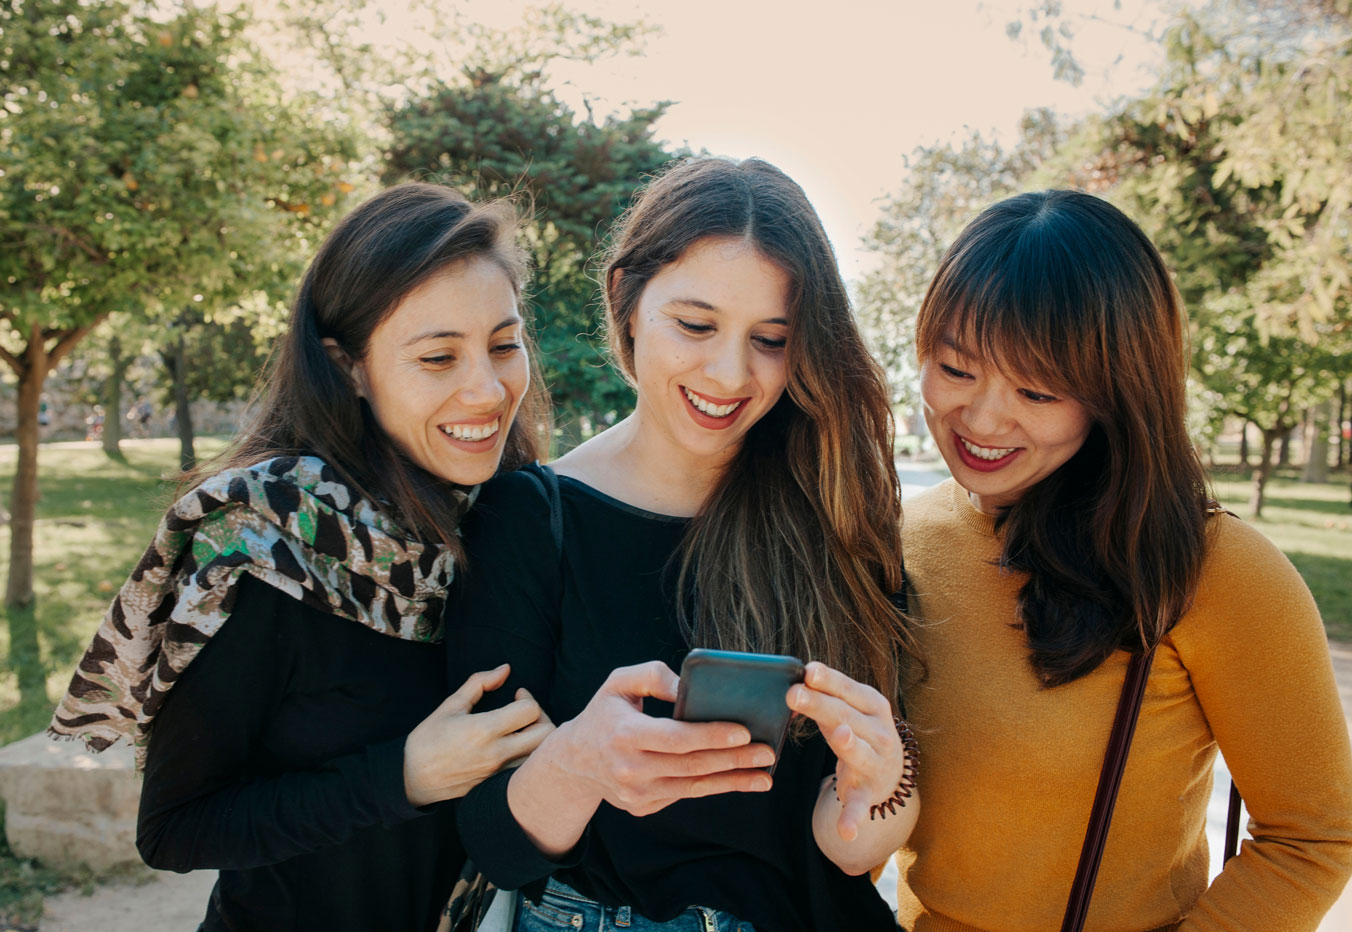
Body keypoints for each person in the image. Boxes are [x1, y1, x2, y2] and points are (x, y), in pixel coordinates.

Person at [50, 183, 554, 932]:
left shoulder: (512, 517)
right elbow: (175, 829)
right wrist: (405, 776)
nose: (486, 388)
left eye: (504, 344)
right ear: (348, 366)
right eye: (438, 356)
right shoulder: (264, 545)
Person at [449, 157, 923, 932]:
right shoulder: (528, 521)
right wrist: (578, 763)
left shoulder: (840, 516)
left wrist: (881, 782)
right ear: (626, 304)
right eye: (696, 326)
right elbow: (495, 846)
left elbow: (849, 852)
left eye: (771, 339)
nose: (730, 373)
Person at [897, 190, 1352, 931]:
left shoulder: (1214, 570)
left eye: (1037, 389)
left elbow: (1312, 837)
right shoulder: (901, 537)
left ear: (1117, 394)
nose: (982, 419)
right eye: (956, 370)